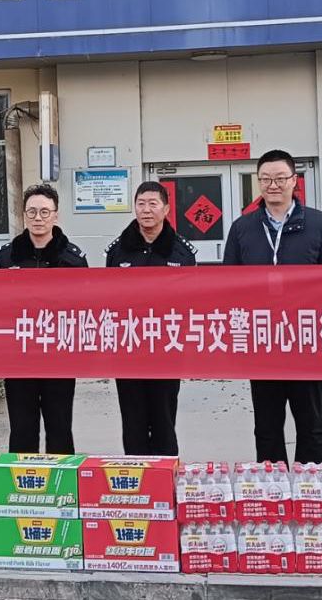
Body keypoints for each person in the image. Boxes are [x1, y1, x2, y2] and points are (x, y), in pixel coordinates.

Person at [222, 149, 322, 465]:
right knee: (266, 426)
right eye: (265, 179)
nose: (272, 185)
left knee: (311, 424)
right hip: (262, 342)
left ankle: (310, 486)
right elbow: (227, 284)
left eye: (279, 178)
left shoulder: (319, 224)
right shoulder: (242, 227)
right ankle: (271, 486)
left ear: (294, 181)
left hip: (306, 341)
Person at [105, 180, 197, 455]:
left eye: (153, 204)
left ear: (166, 209)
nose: (146, 210)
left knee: (163, 419)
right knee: (132, 420)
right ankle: (136, 475)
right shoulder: (118, 251)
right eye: (141, 204)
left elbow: (191, 302)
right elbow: (108, 299)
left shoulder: (182, 252)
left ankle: (165, 474)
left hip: (167, 349)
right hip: (128, 348)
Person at [0, 183, 88, 454]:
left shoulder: (73, 259)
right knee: (22, 429)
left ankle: (61, 479)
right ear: (24, 215)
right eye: (32, 212)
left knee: (59, 428)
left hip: (59, 356)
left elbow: (83, 308)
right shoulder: (7, 256)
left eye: (45, 212)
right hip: (19, 356)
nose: (38, 218)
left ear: (56, 215)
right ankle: (21, 479)